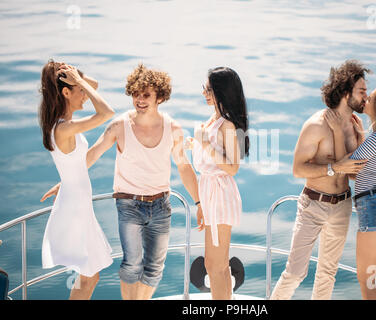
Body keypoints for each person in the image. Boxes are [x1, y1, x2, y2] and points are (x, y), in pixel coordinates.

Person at [42, 63, 202, 300]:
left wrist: (199, 203)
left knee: (155, 269)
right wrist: (65, 181)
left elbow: (184, 167)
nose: (140, 99)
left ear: (160, 97)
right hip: (128, 204)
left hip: (161, 205)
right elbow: (93, 154)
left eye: (146, 94)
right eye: (136, 93)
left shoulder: (173, 129)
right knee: (131, 266)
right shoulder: (119, 125)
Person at [270, 60, 370, 300]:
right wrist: (334, 168)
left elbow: (355, 174)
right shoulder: (316, 125)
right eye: (362, 91)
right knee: (295, 273)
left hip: (343, 205)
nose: (367, 97)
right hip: (313, 205)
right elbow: (297, 169)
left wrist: (362, 139)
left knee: (327, 273)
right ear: (346, 94)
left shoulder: (354, 126)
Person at [39, 60, 115, 300]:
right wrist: (79, 81)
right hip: (76, 208)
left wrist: (75, 77)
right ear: (65, 93)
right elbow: (107, 113)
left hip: (76, 201)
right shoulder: (64, 129)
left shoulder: (60, 125)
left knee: (90, 276)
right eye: (79, 91)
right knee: (89, 275)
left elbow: (95, 85)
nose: (85, 95)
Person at [328, 84, 376, 299]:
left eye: (369, 99)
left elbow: (347, 166)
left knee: (367, 281)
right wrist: (361, 133)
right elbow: (361, 171)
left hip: (375, 211)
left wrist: (336, 131)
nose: (365, 101)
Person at [187, 67, 249, 300]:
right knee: (215, 264)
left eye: (209, 89)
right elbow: (212, 155)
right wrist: (195, 144)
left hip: (221, 194)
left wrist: (204, 145)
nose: (204, 92)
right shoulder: (214, 120)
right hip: (211, 191)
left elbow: (233, 167)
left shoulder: (227, 125)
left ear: (221, 92)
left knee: (216, 265)